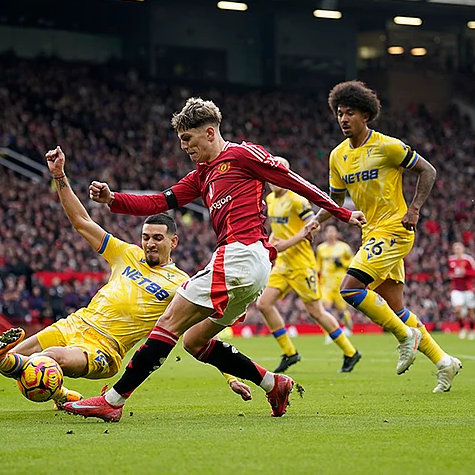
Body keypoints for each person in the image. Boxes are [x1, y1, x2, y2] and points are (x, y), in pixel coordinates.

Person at [66, 97, 365, 422]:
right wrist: (114, 199)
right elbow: (159, 201)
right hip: (249, 267)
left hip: (240, 253)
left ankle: (112, 400)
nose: (184, 147)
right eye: (181, 140)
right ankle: (273, 383)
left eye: (188, 139)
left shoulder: (242, 154)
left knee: (169, 322)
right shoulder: (202, 175)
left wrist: (342, 213)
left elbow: (294, 182)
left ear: (209, 133)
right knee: (194, 341)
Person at [0, 147, 252, 407]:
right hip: (73, 324)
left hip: (104, 348)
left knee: (42, 361)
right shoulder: (125, 254)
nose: (150, 243)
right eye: (145, 237)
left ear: (174, 242)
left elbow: (200, 334)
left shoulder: (181, 284)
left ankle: (29, 371)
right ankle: (58, 391)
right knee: (12, 364)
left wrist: (231, 376)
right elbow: (82, 222)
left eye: (158, 238)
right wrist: (59, 176)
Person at [304, 81, 462, 393]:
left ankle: (406, 337)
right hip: (370, 234)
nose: (343, 118)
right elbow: (334, 201)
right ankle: (444, 361)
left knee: (349, 290)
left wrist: (415, 208)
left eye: (350, 112)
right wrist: (315, 222)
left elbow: (428, 171)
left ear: (366, 115)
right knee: (397, 308)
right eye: (339, 113)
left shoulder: (388, 146)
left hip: (395, 230)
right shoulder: (337, 156)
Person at [256, 157, 361, 374]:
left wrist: (285, 244)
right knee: (264, 304)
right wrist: (274, 240)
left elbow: (312, 228)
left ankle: (350, 352)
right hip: (283, 264)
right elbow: (278, 228)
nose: (272, 180)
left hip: (302, 265)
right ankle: (290, 352)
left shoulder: (297, 200)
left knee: (316, 312)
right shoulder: (271, 200)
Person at [316, 225, 355, 333]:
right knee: (325, 307)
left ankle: (348, 327)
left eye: (332, 231)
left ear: (337, 233)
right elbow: (318, 266)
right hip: (326, 283)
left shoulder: (344, 248)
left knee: (341, 310)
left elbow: (352, 262)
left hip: (340, 282)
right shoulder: (321, 248)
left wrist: (342, 263)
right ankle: (330, 331)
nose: (330, 233)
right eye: (328, 231)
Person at [448, 242, 475, 340]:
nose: (457, 250)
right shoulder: (451, 260)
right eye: (455, 248)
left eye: (459, 248)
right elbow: (449, 271)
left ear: (463, 249)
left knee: (470, 312)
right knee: (457, 310)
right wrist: (451, 275)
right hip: (456, 289)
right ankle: (462, 329)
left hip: (468, 289)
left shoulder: (468, 259)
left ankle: (472, 330)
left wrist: (465, 272)